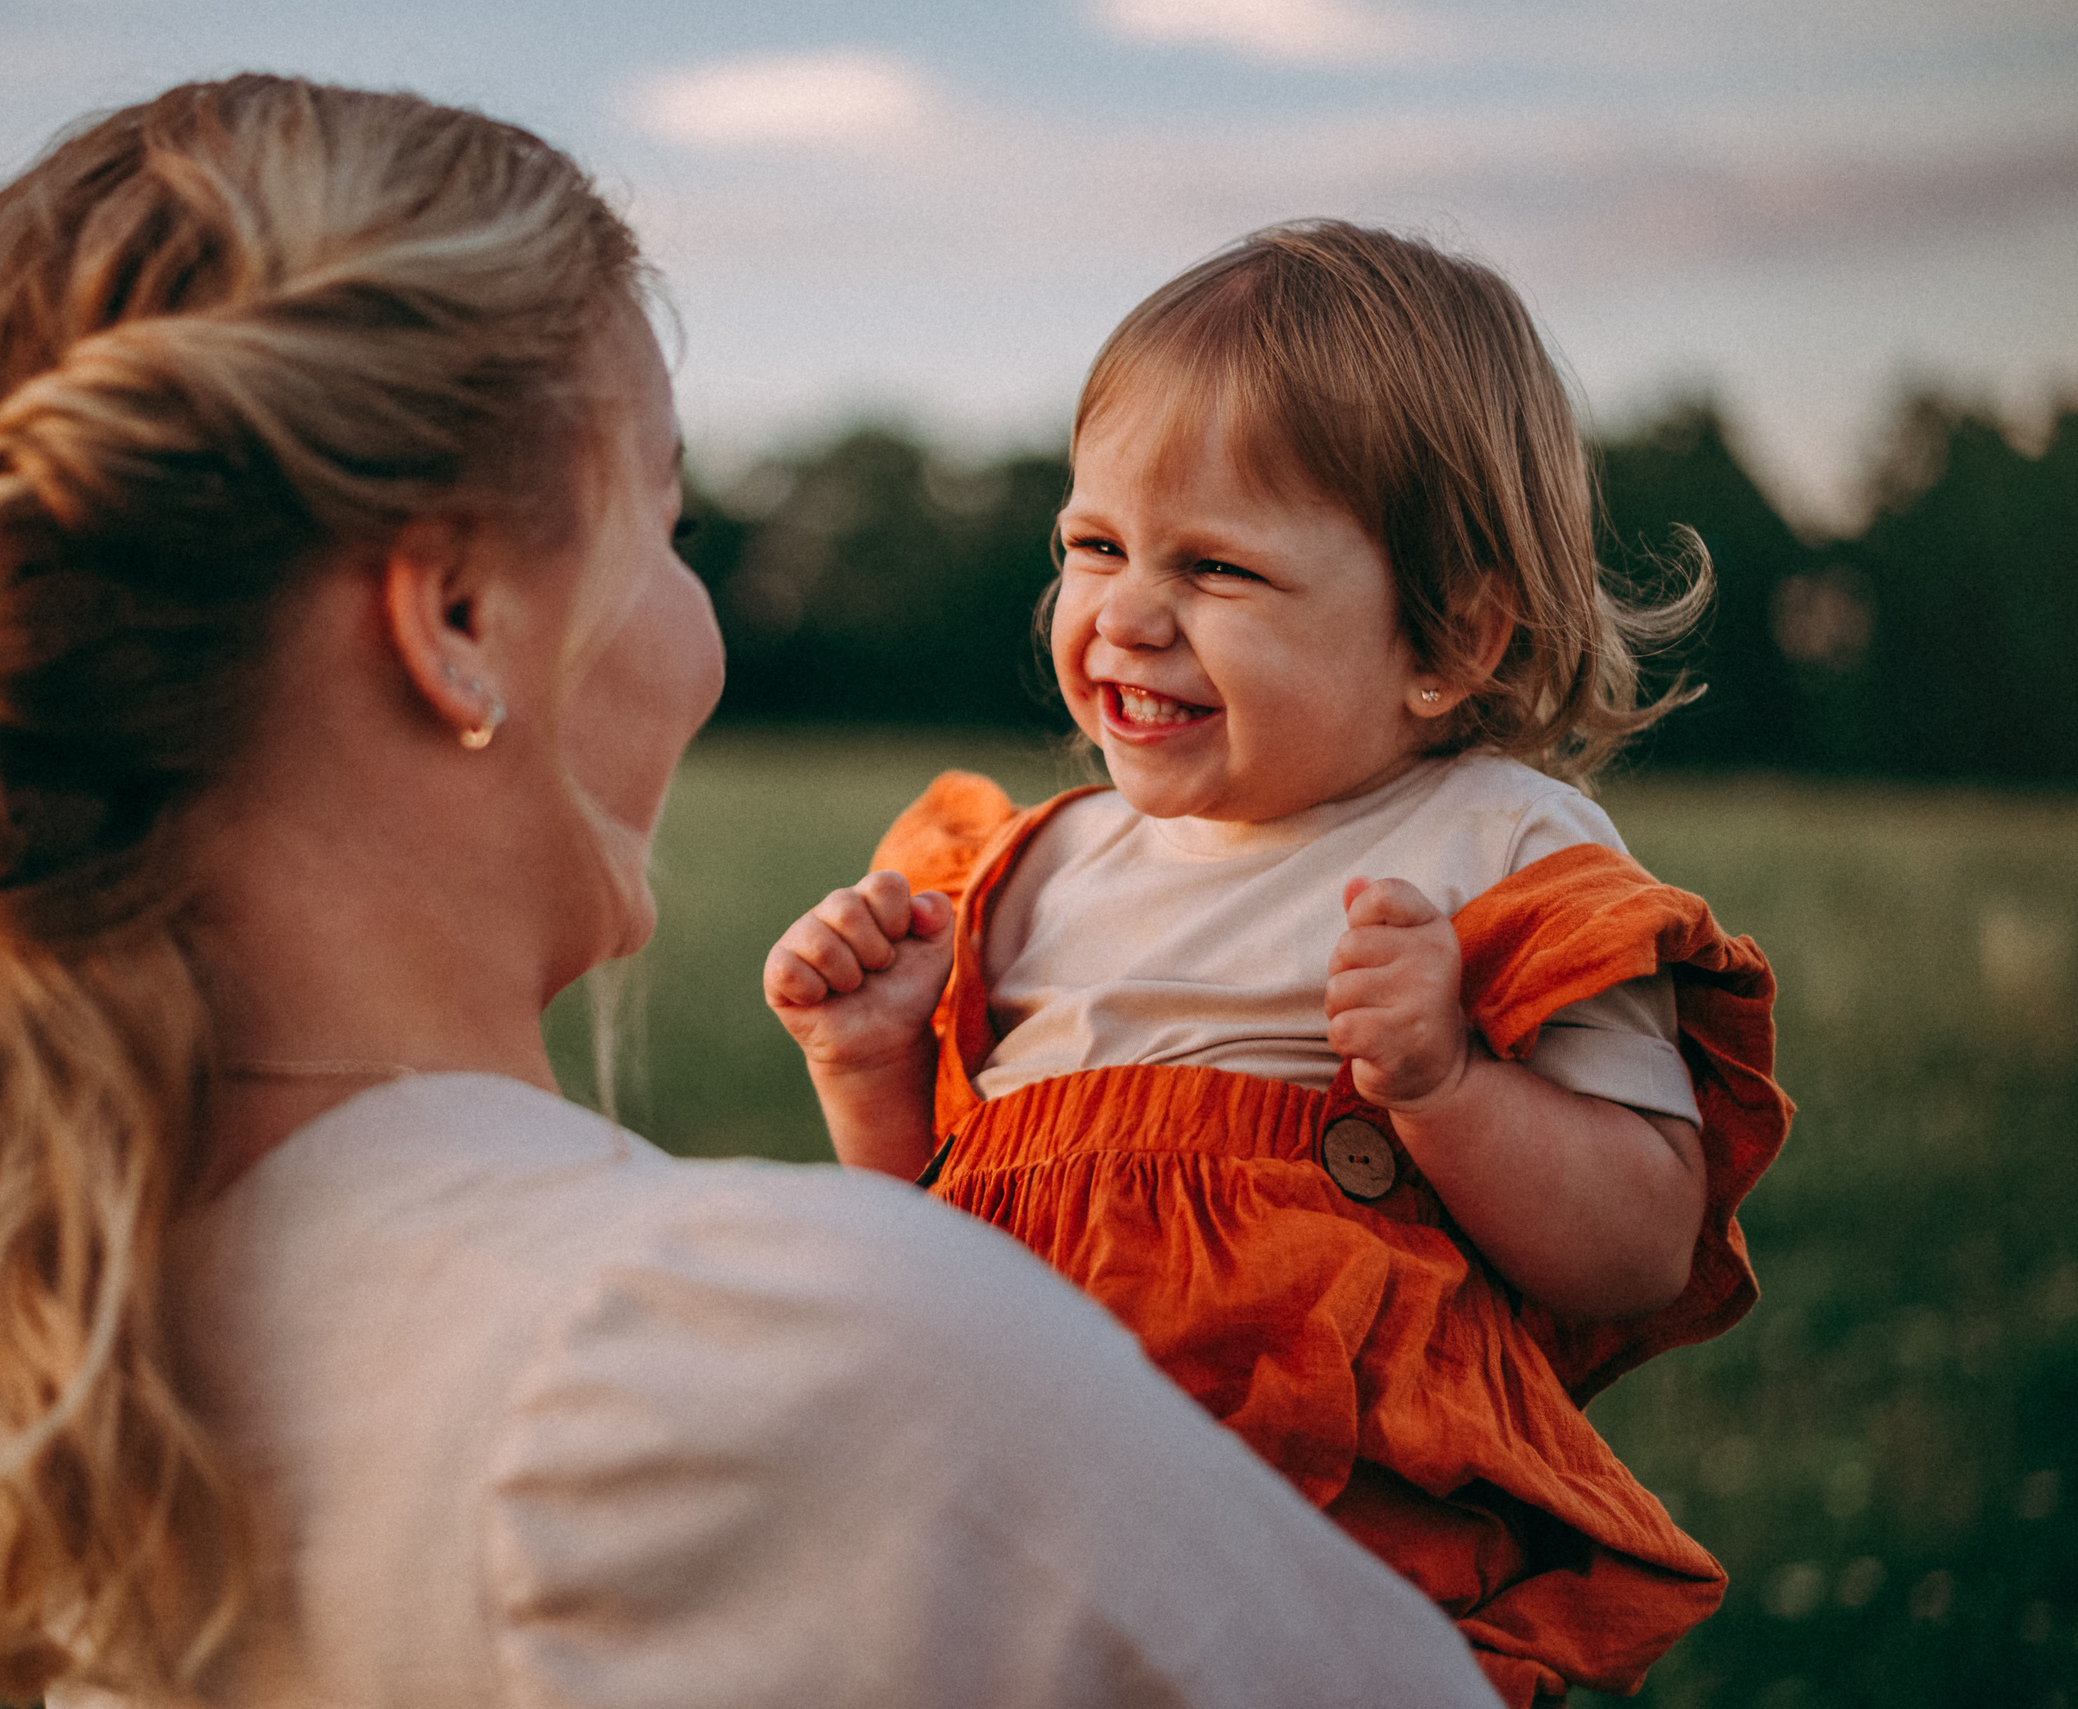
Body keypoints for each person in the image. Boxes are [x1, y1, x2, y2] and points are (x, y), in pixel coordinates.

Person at [0, 80, 1498, 1709]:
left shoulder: (91, 1317)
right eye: (663, 526)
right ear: (456, 619)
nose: (704, 635)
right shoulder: (763, 1360)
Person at [765, 222, 1795, 1706]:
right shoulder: (1025, 874)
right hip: (1014, 1547)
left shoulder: (1494, 844)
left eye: (1218, 567)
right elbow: (936, 1262)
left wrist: (1444, 1085)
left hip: (1326, 1576)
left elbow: (1642, 1240)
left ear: (1448, 634)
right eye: (1095, 545)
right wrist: (869, 1066)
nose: (1124, 609)